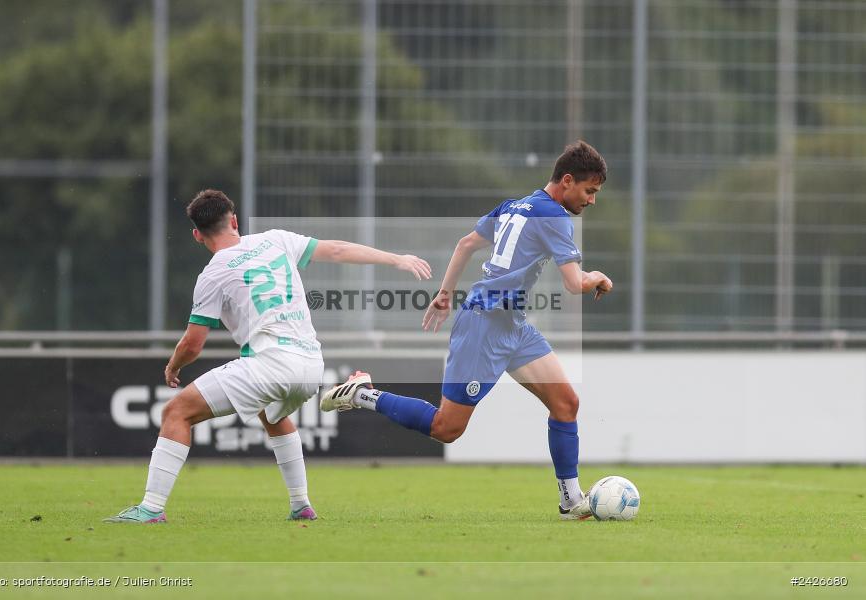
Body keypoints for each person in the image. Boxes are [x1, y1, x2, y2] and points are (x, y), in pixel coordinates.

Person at [320, 141, 612, 520]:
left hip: (513, 325)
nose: (592, 200)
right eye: (589, 190)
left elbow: (466, 244)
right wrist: (596, 277)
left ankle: (571, 501)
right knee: (447, 428)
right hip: (484, 326)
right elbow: (574, 284)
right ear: (567, 181)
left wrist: (445, 294)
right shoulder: (555, 217)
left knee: (565, 403)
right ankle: (362, 393)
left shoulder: (513, 206)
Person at [105, 189, 431, 524]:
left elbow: (193, 344)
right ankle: (301, 504)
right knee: (271, 414)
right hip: (311, 365)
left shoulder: (213, 274)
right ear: (234, 221)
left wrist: (174, 366)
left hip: (270, 365)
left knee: (176, 412)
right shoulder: (276, 239)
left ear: (197, 235)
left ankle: (151, 508)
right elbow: (337, 249)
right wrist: (396, 259)